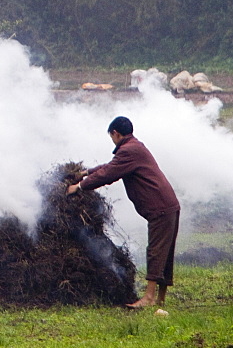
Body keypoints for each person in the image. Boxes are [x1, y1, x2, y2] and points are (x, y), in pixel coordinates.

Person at [66, 115, 180, 308]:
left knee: (156, 251)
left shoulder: (129, 151)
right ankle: (160, 298)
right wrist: (86, 172)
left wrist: (79, 186)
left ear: (115, 133)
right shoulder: (134, 148)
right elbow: (110, 166)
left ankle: (150, 298)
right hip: (168, 205)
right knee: (164, 252)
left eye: (111, 136)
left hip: (160, 208)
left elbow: (109, 173)